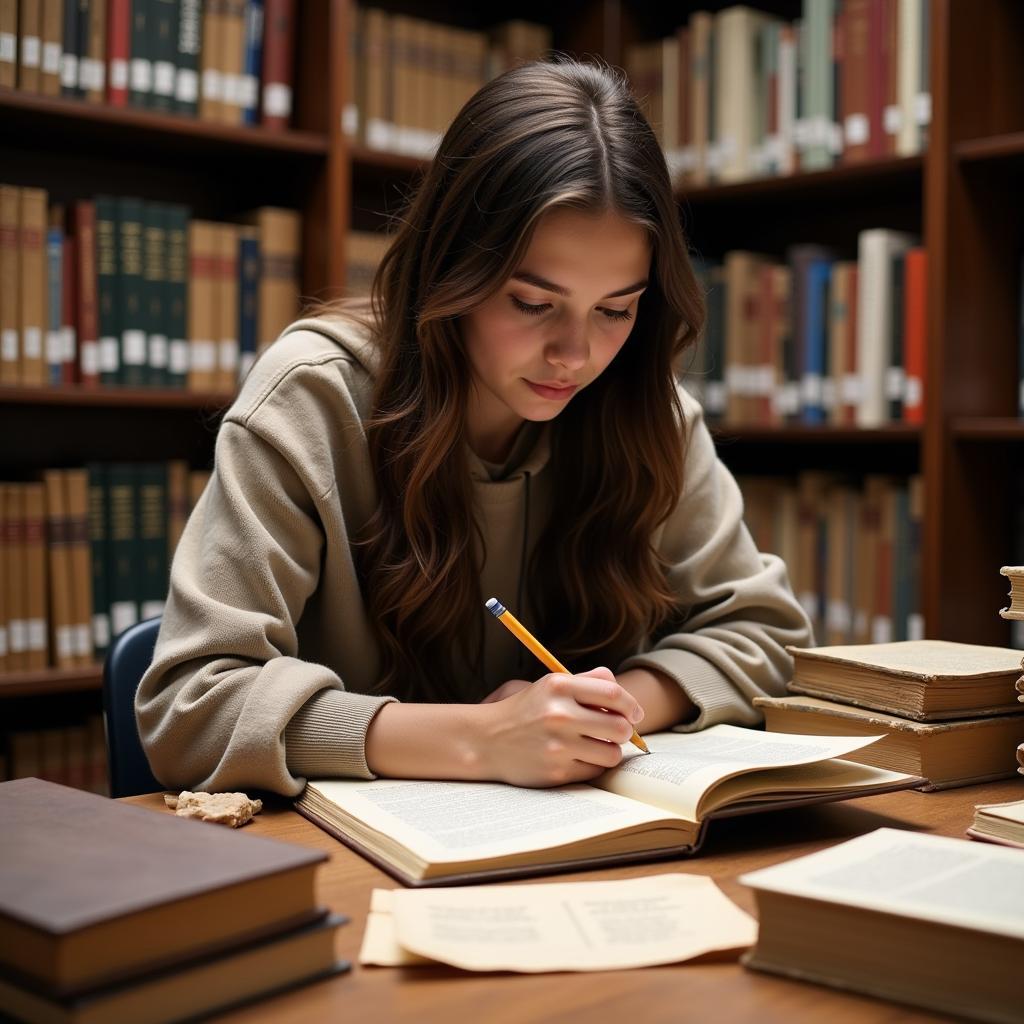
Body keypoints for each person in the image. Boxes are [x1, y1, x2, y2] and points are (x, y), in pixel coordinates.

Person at [137, 58, 813, 796]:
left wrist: (607, 712)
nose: (575, 354)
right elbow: (187, 708)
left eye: (616, 309)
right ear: (450, 269)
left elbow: (769, 635)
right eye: (531, 302)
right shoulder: (314, 399)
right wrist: (483, 740)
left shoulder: (649, 413)